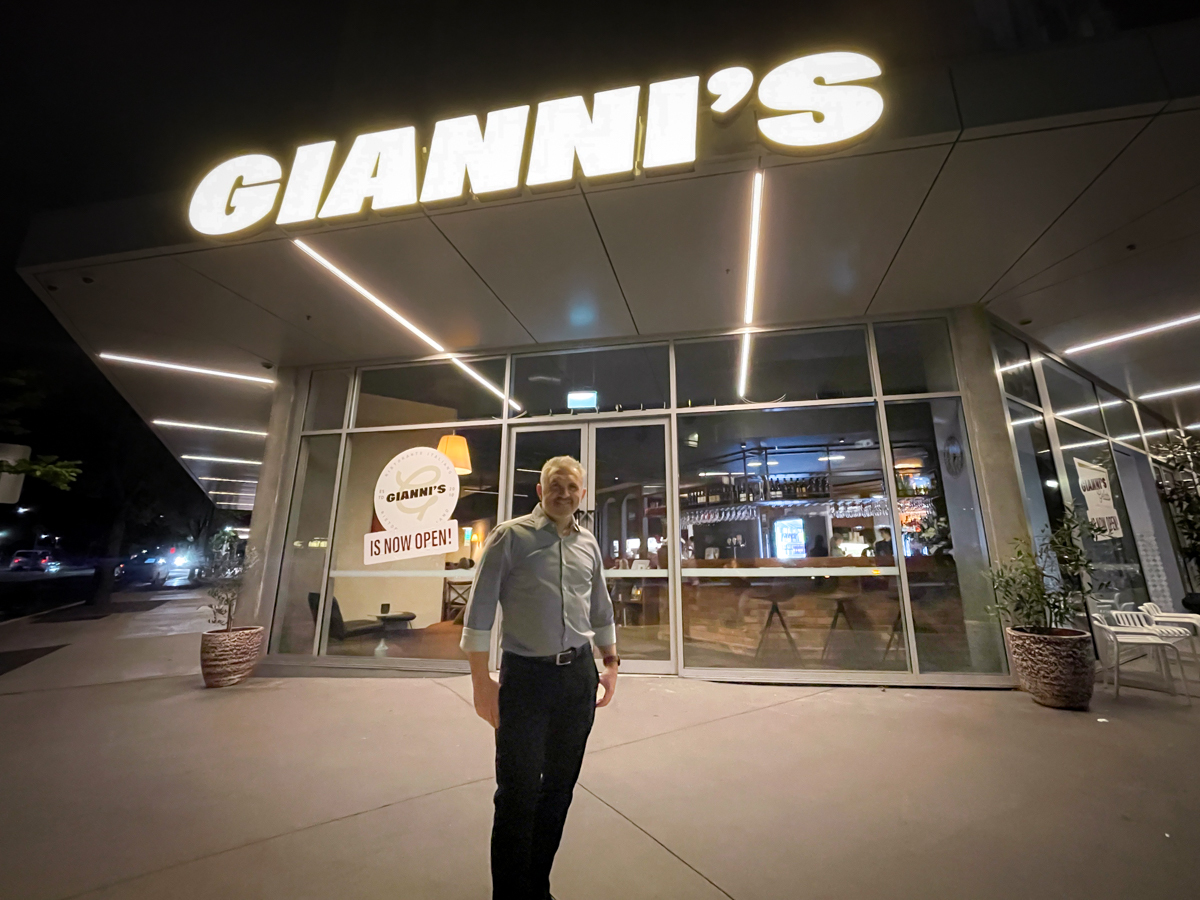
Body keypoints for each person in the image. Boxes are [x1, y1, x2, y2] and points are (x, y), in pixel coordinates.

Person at [460, 455, 619, 900]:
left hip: (578, 680)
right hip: (526, 679)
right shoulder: (510, 537)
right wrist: (480, 681)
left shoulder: (588, 543)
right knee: (518, 792)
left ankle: (537, 888)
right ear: (540, 491)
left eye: (571, 487)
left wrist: (610, 664)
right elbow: (479, 611)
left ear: (581, 494)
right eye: (555, 485)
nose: (563, 494)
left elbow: (601, 608)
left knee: (559, 790)